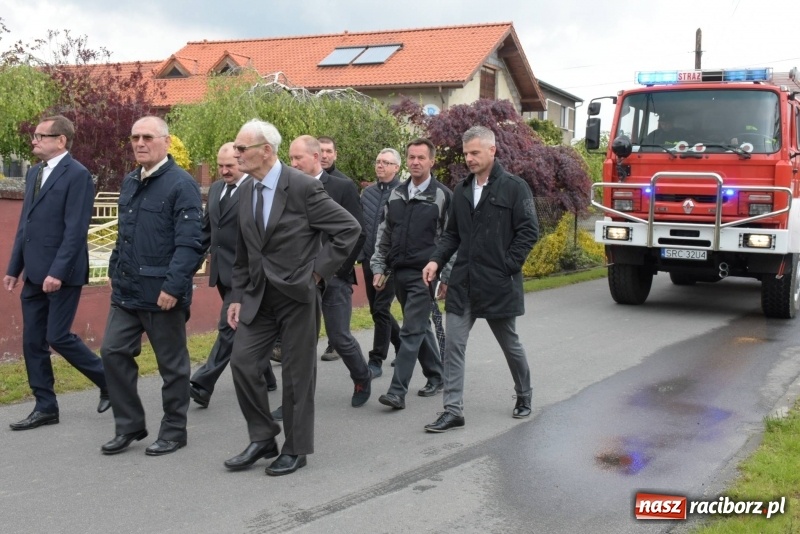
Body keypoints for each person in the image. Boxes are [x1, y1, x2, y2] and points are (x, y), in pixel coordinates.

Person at [224, 120, 360, 477]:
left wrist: (316, 273)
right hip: (257, 296)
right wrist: (237, 295)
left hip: (297, 295)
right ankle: (263, 437)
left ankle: (296, 449)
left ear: (265, 150)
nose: (236, 154)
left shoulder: (301, 187)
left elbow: (348, 229)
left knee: (298, 376)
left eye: (242, 149)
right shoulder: (246, 190)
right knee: (243, 363)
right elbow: (244, 250)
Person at [422, 125, 538, 433]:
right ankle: (452, 410)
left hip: (499, 282)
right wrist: (436, 260)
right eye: (466, 153)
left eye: (475, 152)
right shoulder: (461, 190)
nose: (469, 159)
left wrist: (508, 265)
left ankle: (524, 395)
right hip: (464, 283)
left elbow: (529, 231)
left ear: (492, 150)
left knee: (509, 343)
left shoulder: (514, 187)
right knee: (453, 346)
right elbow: (452, 235)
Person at [99, 116, 204, 456]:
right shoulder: (130, 181)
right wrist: (115, 269)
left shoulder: (181, 184)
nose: (140, 143)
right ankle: (129, 425)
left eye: (147, 137)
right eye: (134, 138)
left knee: (171, 367)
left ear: (166, 142)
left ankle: (174, 431)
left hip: (163, 295)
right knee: (112, 352)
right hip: (128, 292)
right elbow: (123, 234)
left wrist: (173, 288)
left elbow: (190, 244)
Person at [4, 115, 110, 430]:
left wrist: (58, 272)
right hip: (34, 272)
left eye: (40, 135)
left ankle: (111, 382)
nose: (34, 140)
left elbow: (76, 229)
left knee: (57, 336)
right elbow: (26, 224)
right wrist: (14, 268)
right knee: (33, 341)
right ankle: (45, 406)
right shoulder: (34, 173)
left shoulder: (77, 175)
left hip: (62, 273)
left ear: (61, 140)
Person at [188, 143, 277, 409]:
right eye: (220, 166)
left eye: (230, 165)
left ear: (242, 162)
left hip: (247, 275)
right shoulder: (216, 189)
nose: (225, 171)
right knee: (243, 327)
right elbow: (207, 231)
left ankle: (204, 382)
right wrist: (188, 265)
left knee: (229, 327)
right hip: (221, 273)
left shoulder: (255, 191)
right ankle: (266, 374)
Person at [287, 135, 371, 407]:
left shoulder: (342, 187)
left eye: (298, 158)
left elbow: (357, 232)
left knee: (339, 336)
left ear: (315, 158)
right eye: (291, 159)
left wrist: (336, 270)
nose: (293, 163)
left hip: (334, 277)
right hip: (300, 278)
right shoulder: (287, 187)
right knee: (300, 342)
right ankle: (295, 398)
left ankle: (362, 376)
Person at [372, 138, 449, 411]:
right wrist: (378, 267)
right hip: (398, 272)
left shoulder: (441, 196)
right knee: (419, 327)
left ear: (431, 161)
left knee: (410, 331)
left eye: (421, 158)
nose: (415, 162)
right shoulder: (397, 194)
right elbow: (384, 233)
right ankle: (437, 375)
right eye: (412, 157)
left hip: (425, 274)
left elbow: (450, 239)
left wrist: (445, 276)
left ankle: (397, 391)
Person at [359, 149, 402, 377]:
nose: (381, 166)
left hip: (390, 263)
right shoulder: (367, 193)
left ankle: (376, 359)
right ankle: (402, 344)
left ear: (396, 167)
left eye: (386, 162)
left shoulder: (402, 192)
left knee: (381, 308)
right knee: (377, 310)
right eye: (378, 162)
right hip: (368, 259)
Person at [317, 135, 350, 361]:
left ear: (335, 154)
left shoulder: (343, 185)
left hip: (336, 262)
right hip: (310, 261)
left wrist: (343, 267)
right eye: (322, 151)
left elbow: (356, 230)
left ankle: (335, 344)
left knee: (336, 311)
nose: (325, 155)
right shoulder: (300, 181)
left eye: (329, 151)